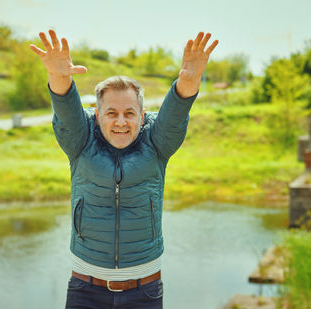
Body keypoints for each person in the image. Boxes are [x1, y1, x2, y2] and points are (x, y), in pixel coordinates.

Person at [30, 30, 218, 309]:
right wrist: (59, 77)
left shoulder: (157, 142)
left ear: (142, 117)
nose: (121, 121)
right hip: (86, 291)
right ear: (97, 115)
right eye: (111, 113)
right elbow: (66, 111)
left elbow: (176, 113)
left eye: (129, 113)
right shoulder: (80, 140)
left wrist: (189, 79)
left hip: (144, 292)